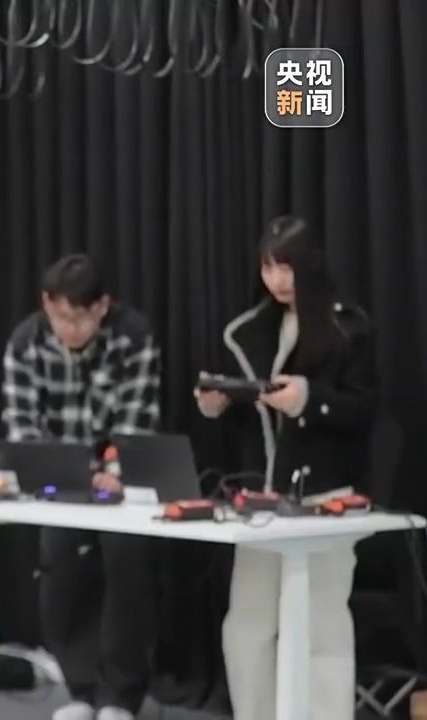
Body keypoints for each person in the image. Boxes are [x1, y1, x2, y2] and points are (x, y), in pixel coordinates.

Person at [194, 215, 378, 720]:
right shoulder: (253, 329)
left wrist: (310, 399)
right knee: (247, 626)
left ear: (310, 265)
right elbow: (253, 415)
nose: (276, 280)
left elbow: (363, 410)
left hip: (325, 496)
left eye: (286, 268)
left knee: (322, 627)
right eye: (268, 267)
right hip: (263, 500)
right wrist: (220, 402)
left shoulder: (349, 327)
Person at [2, 254, 163, 720]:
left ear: (102, 307)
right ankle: (81, 690)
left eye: (79, 318)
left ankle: (119, 697)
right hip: (61, 480)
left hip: (122, 481)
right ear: (45, 304)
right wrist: (53, 469)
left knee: (126, 564)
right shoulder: (26, 342)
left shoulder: (133, 337)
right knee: (60, 569)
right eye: (59, 317)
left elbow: (136, 421)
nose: (68, 329)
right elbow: (22, 427)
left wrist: (114, 468)